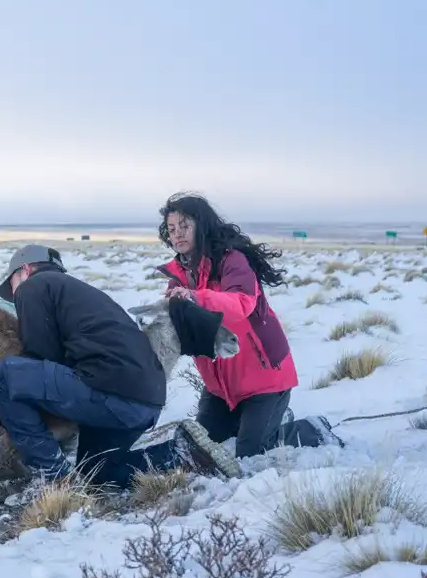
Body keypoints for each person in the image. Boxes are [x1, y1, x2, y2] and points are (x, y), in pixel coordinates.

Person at [0, 244, 225, 489]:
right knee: (97, 471)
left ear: (25, 269)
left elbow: (40, 356)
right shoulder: (82, 295)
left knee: (3, 375)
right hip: (145, 404)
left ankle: (55, 477)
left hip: (109, 392)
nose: (14, 294)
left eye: (11, 284)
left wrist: (2, 413)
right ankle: (182, 452)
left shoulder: (34, 285)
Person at [145, 192, 343, 464]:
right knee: (201, 446)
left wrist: (195, 297)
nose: (178, 234)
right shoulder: (180, 275)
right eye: (172, 229)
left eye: (185, 226)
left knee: (252, 450)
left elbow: (242, 303)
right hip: (220, 387)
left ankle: (310, 429)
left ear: (202, 225)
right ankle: (254, 421)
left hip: (264, 378)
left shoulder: (231, 260)